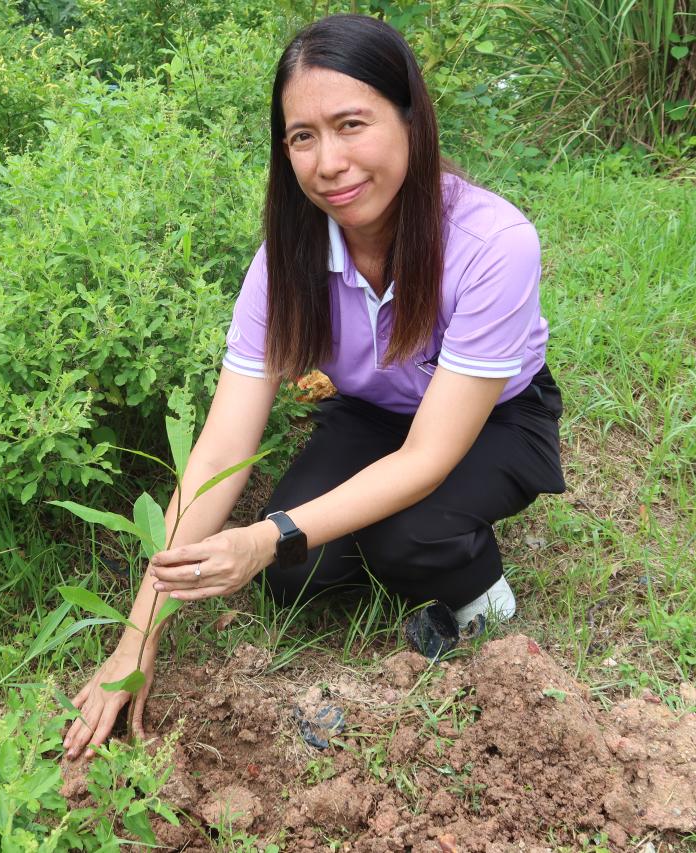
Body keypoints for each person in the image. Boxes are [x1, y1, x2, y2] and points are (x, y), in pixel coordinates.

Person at [63, 14, 564, 760]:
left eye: (351, 123)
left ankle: (482, 590)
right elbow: (221, 446)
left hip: (492, 419)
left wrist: (266, 536)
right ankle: (385, 537)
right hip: (372, 413)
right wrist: (137, 639)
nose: (329, 162)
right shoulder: (285, 259)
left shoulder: (493, 243)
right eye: (302, 136)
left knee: (408, 532)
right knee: (297, 577)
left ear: (410, 118)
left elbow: (428, 454)